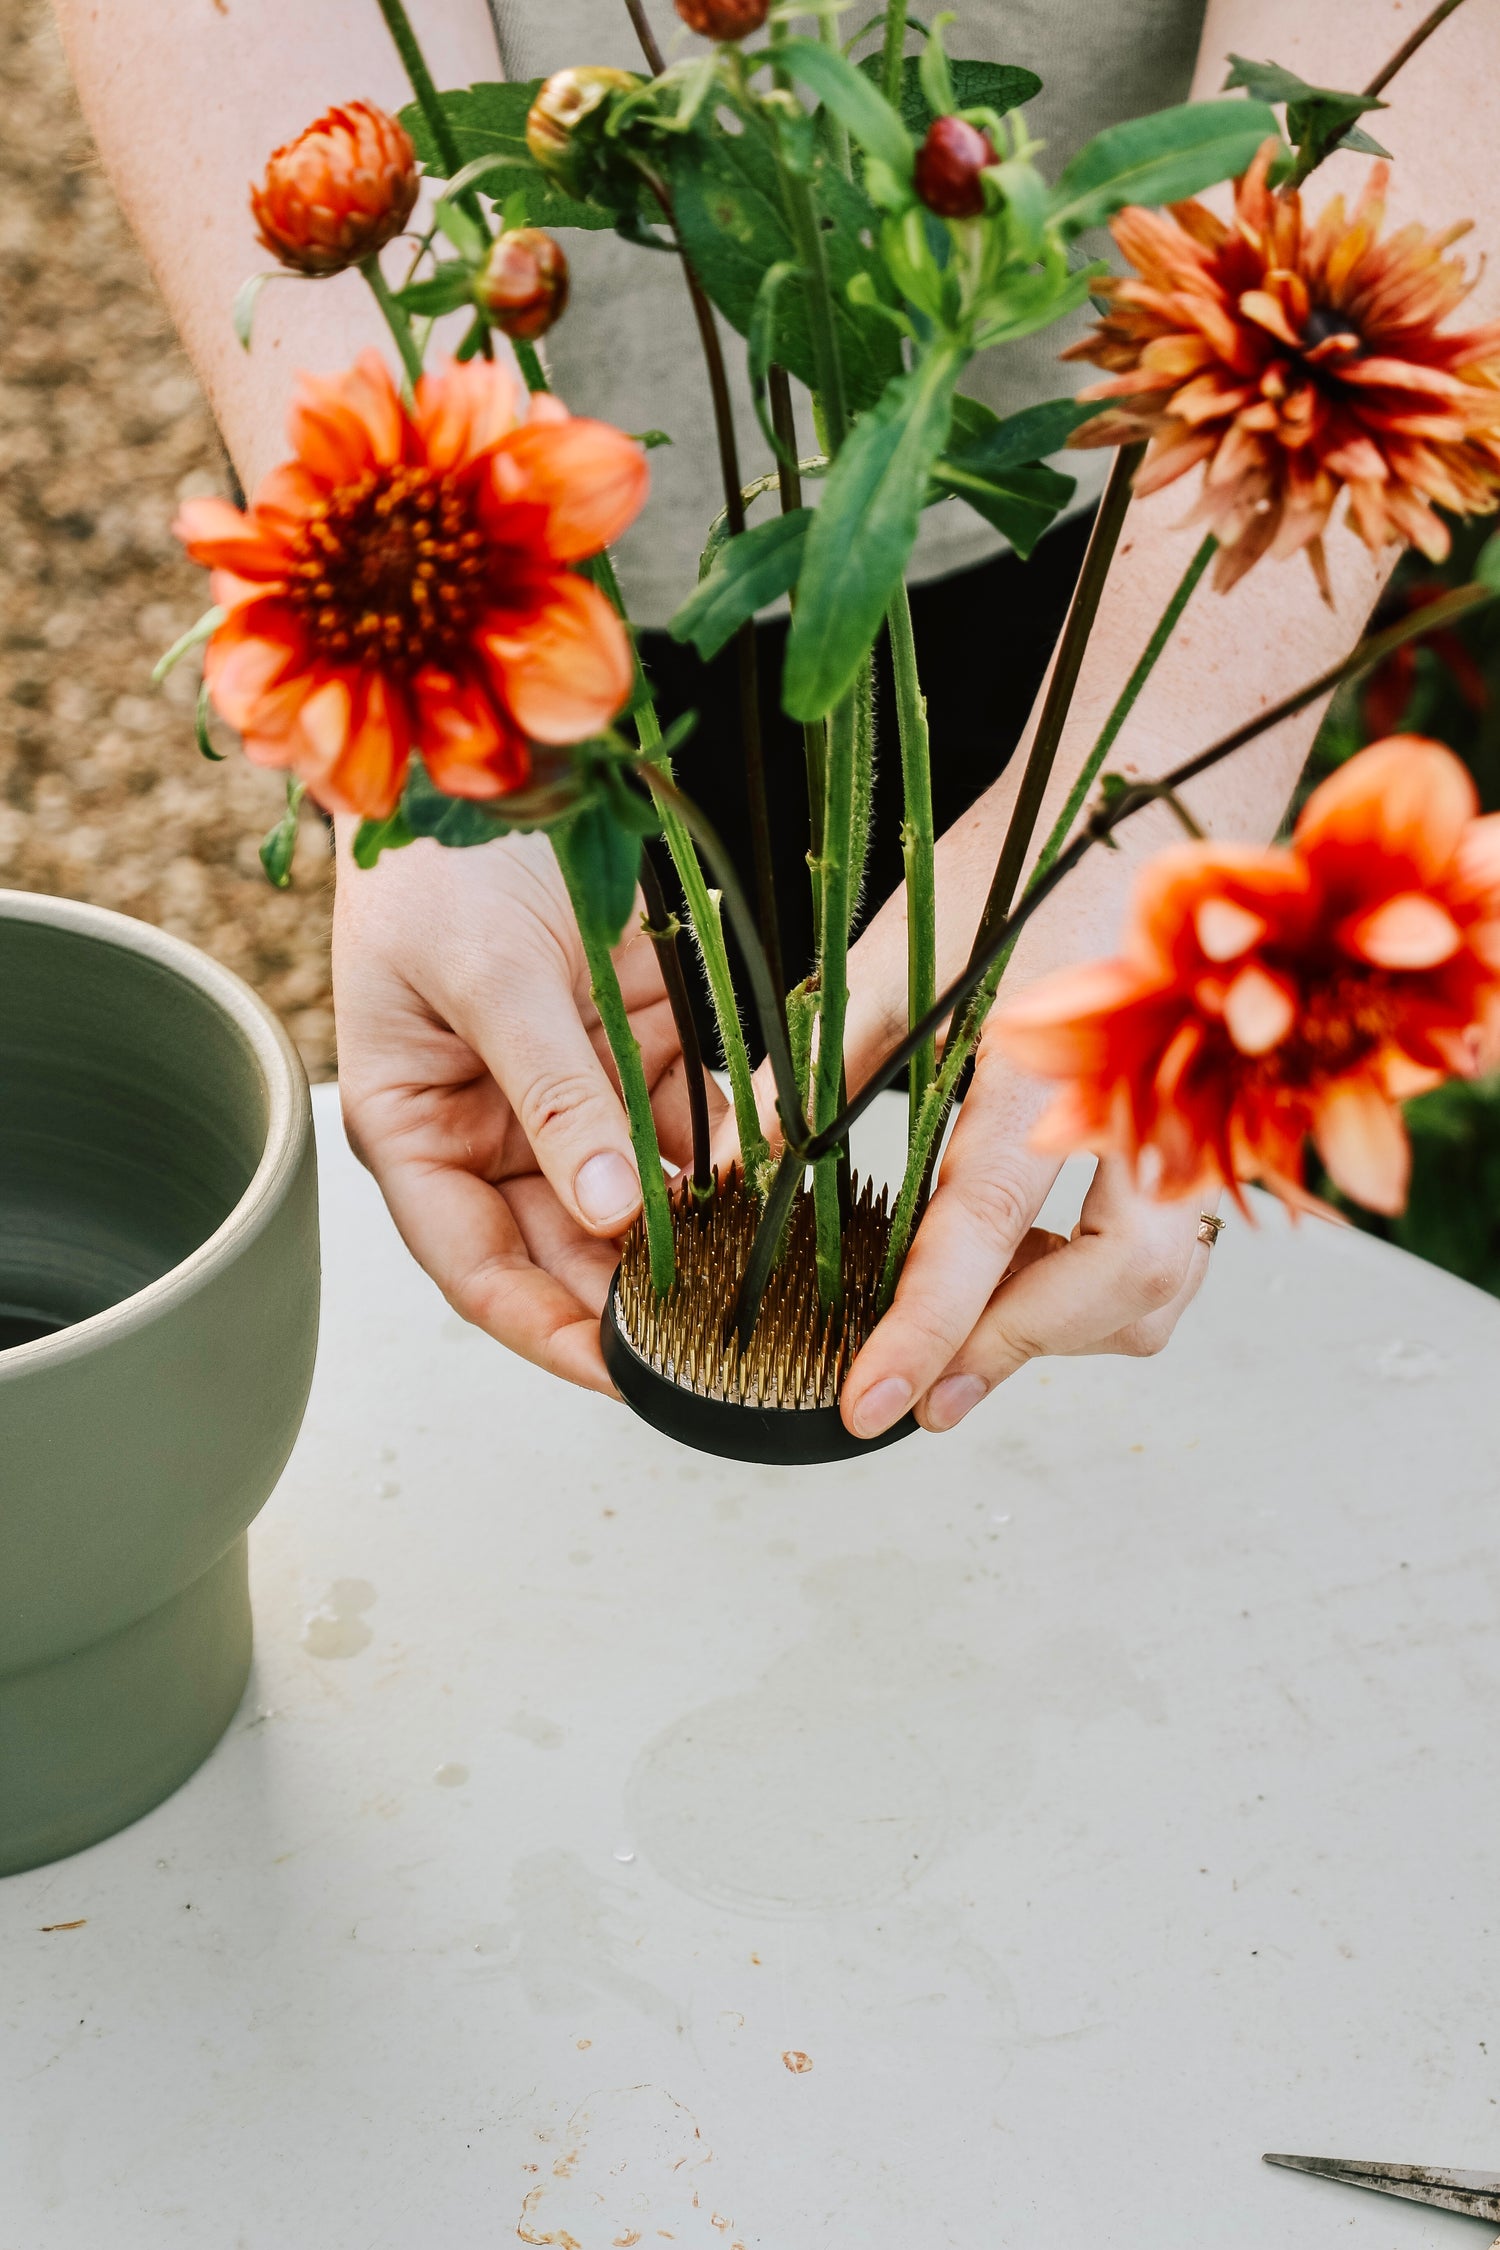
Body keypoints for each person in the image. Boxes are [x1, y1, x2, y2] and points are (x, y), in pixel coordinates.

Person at [53, 0, 1500, 1437]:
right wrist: (456, 746)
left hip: (1123, 454)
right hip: (515, 486)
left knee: (978, 1088)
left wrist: (1184, 753)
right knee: (634, 1047)